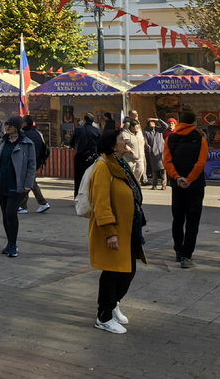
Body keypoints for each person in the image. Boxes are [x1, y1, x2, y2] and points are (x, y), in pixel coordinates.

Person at [88, 128, 147, 335]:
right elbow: (101, 202)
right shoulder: (103, 167)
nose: (126, 141)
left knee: (127, 270)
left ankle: (113, 305)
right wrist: (110, 232)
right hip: (113, 230)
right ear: (113, 145)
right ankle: (103, 316)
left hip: (128, 227)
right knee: (113, 272)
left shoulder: (121, 163)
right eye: (122, 139)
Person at [164, 111, 207, 268]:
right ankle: (187, 256)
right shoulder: (200, 139)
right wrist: (190, 179)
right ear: (194, 123)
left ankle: (178, 250)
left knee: (178, 218)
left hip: (177, 185)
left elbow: (167, 161)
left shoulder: (170, 138)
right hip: (195, 186)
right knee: (193, 221)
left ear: (179, 122)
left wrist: (177, 178)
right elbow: (201, 163)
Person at [0, 115, 36, 256]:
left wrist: (28, 184)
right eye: (6, 124)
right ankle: (9, 243)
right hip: (2, 184)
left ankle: (13, 244)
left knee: (11, 213)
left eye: (10, 124)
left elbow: (31, 165)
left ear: (17, 127)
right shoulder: (4, 141)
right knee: (5, 214)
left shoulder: (26, 143)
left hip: (17, 185)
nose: (7, 127)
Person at [20, 115, 50, 212]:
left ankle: (24, 206)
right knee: (31, 182)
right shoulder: (38, 133)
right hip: (37, 161)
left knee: (28, 182)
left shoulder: (24, 134)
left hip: (27, 162)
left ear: (25, 123)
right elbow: (44, 148)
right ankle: (41, 203)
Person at [70, 113, 101, 195]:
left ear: (84, 121)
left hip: (79, 158)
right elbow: (101, 145)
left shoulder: (78, 130)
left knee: (78, 179)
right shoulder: (97, 131)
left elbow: (71, 144)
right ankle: (91, 197)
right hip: (93, 158)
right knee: (92, 178)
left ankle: (78, 196)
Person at [143, 119, 166, 190]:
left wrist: (158, 120)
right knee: (154, 170)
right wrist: (150, 150)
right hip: (153, 153)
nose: (152, 124)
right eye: (150, 122)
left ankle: (163, 185)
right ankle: (154, 185)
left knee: (163, 169)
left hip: (161, 152)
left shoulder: (159, 130)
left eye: (153, 122)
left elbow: (166, 126)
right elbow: (146, 143)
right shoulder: (147, 132)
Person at [121, 118, 146, 183]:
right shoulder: (124, 134)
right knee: (129, 173)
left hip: (140, 158)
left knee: (140, 170)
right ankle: (129, 184)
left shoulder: (139, 133)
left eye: (138, 127)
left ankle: (136, 183)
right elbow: (121, 144)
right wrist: (127, 148)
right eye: (136, 127)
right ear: (131, 127)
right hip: (129, 158)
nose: (137, 128)